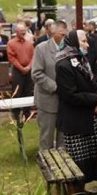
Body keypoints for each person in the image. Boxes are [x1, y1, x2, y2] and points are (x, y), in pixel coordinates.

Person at [55, 29, 97, 195]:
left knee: (89, 157)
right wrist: (94, 99)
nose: (87, 44)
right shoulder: (63, 64)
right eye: (84, 41)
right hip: (74, 120)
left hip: (88, 116)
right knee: (77, 160)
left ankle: (82, 190)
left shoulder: (82, 61)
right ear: (74, 43)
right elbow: (69, 95)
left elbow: (95, 81)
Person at [32, 20, 68, 150]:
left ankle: (63, 165)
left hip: (65, 101)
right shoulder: (41, 49)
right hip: (47, 100)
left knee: (64, 139)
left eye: (66, 34)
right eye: (62, 35)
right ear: (53, 34)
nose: (64, 37)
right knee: (47, 137)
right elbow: (36, 74)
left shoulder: (67, 49)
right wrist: (56, 87)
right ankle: (46, 163)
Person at [7, 22, 35, 99]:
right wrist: (21, 68)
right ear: (16, 32)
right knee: (16, 92)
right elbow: (12, 58)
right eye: (21, 30)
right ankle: (16, 111)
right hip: (17, 70)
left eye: (24, 30)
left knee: (28, 91)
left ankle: (27, 111)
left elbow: (33, 56)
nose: (23, 32)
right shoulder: (11, 43)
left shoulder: (29, 43)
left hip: (29, 70)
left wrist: (29, 67)